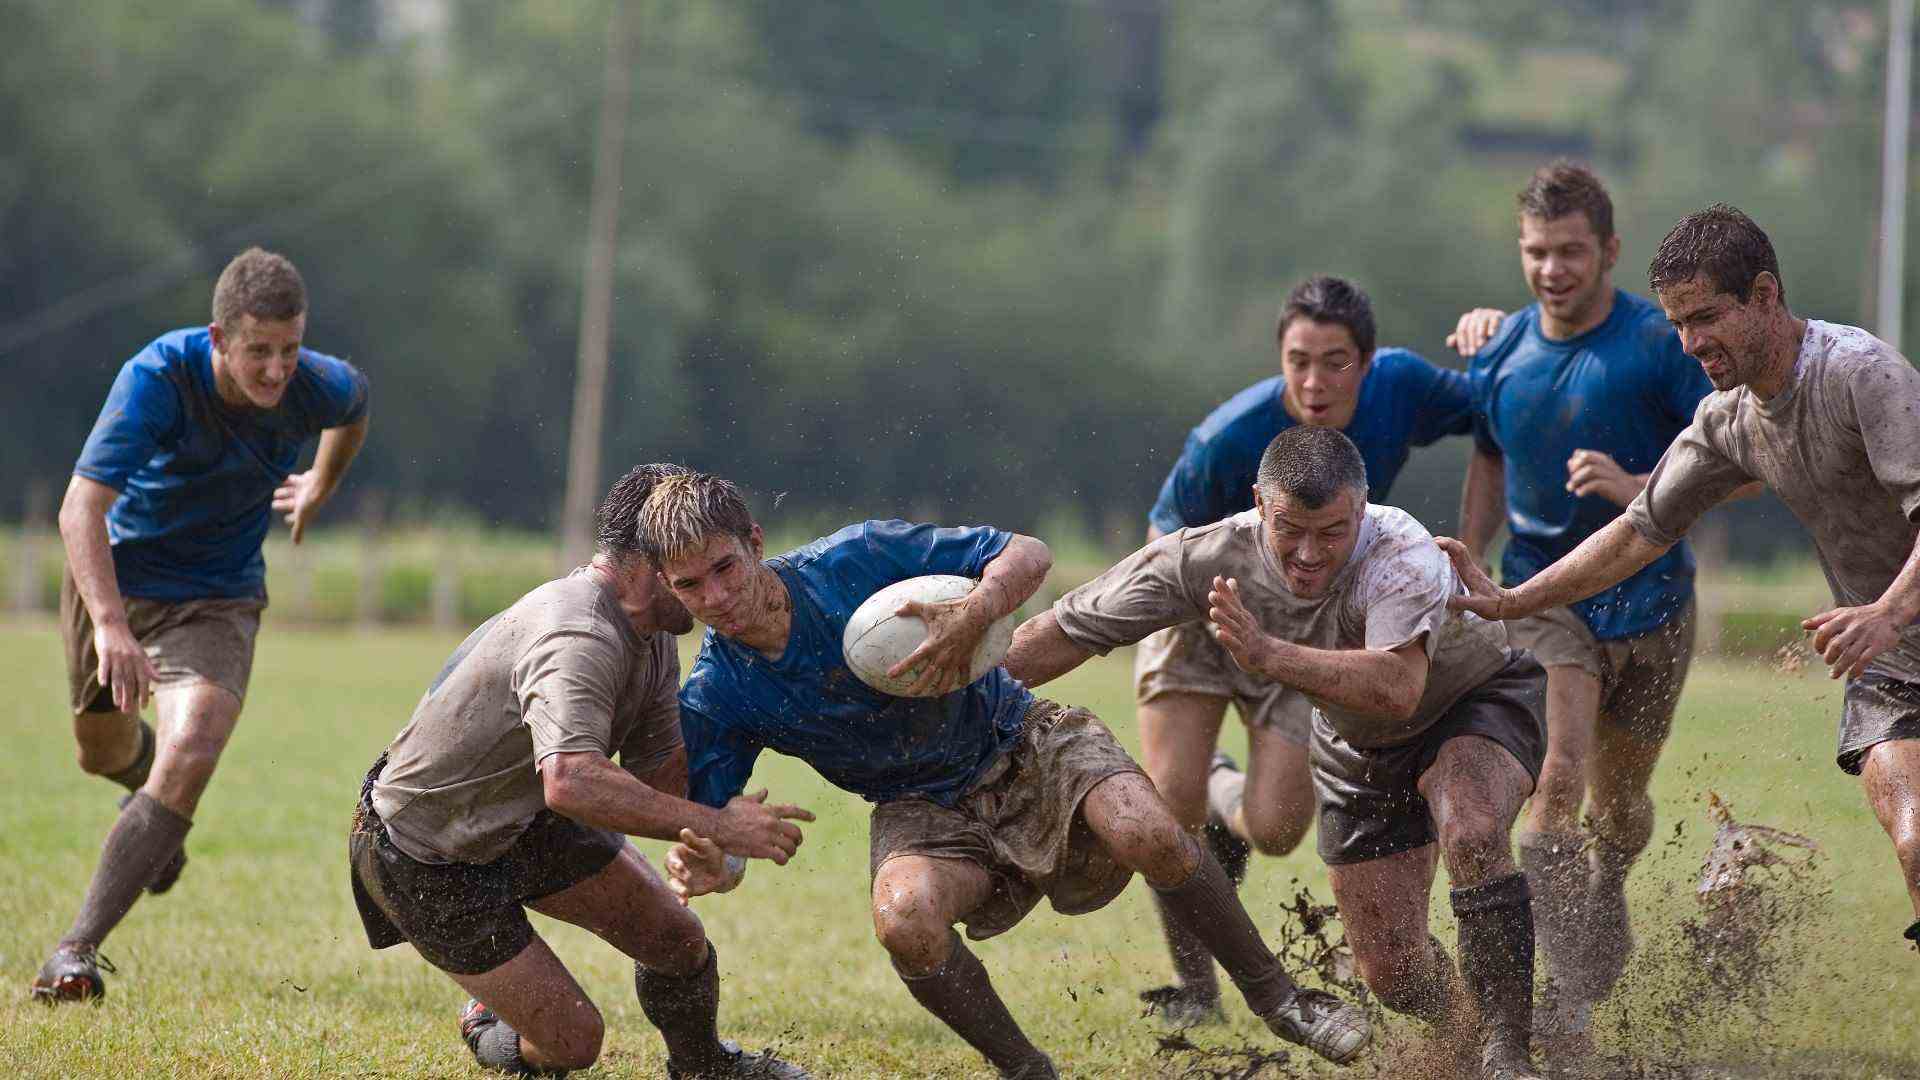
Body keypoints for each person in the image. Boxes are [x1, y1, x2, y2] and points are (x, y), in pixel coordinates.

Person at [643, 470, 1370, 1080]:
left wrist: (978, 609)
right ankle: (1026, 1069)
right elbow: (719, 832)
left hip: (1021, 738)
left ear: (755, 544)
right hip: (919, 805)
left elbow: (1028, 552)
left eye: (725, 568)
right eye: (690, 586)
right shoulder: (715, 695)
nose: (716, 597)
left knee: (1148, 829)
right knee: (904, 919)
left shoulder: (853, 559)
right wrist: (716, 862)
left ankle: (1284, 1002)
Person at [1441, 202, 1920, 969]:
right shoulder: (1728, 421)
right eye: (1678, 325)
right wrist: (1508, 601)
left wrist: (1889, 611)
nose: (1693, 343)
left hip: (1890, 629)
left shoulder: (1858, 373)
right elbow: (1635, 531)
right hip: (1895, 671)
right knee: (1916, 840)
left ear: (1766, 294)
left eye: (1707, 317)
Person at [1009, 426, 1549, 1080]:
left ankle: (1509, 1054)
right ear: (1260, 504)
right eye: (1289, 528)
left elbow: (1397, 687)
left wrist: (1268, 654)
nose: (1308, 554)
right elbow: (1068, 627)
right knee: (1392, 973)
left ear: (1361, 507)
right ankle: (1465, 1021)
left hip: (1472, 700)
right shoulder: (1207, 554)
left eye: (1331, 532)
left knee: (1471, 829)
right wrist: (950, 693)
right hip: (1357, 747)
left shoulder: (1402, 551)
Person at [348, 464, 810, 1079]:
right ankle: (488, 1022)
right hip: (425, 851)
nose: (714, 598)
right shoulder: (580, 630)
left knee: (678, 941)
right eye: (690, 570)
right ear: (651, 564)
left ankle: (704, 1069)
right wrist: (716, 826)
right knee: (573, 1043)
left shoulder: (654, 632)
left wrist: (708, 835)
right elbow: (570, 778)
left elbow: (659, 783)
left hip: (527, 821)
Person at [1443, 161, 1734, 1037]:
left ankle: (1605, 888)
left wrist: (1638, 484)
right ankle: (1564, 1000)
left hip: (1653, 604)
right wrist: (1474, 563)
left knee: (1621, 811)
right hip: (1544, 596)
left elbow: (1740, 460)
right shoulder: (1499, 354)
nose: (1552, 270)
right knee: (1558, 785)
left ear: (1608, 250)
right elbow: (1488, 454)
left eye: (1571, 251)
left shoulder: (1658, 345)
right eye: (1536, 252)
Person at [33, 248, 371, 1002]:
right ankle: (154, 819)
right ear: (219, 338)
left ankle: (74, 951)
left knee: (195, 742)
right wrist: (112, 626)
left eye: (289, 349)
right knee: (100, 752)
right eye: (259, 351)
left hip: (218, 593)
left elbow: (354, 408)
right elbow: (79, 508)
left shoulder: (317, 383)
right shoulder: (158, 378)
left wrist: (320, 483)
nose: (278, 370)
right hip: (117, 577)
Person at [1139, 275, 1474, 1023]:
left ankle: (1227, 797)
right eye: (1298, 361)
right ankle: (1197, 994)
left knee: (1277, 827)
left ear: (1370, 361)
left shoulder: (1407, 388)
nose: (1314, 382)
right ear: (1279, 359)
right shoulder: (1228, 436)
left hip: (1303, 627)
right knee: (1167, 807)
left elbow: (1500, 399)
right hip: (1200, 611)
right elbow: (1162, 543)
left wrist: (1497, 327)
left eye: (1335, 362)